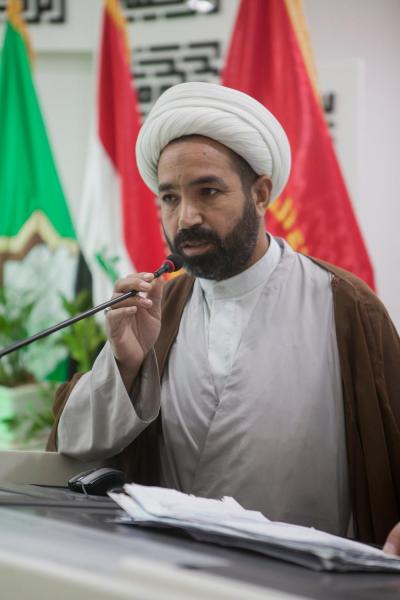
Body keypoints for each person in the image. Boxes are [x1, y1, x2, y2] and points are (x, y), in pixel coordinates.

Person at [47, 82, 400, 550]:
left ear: (261, 194)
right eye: (170, 198)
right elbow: (74, 446)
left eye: (208, 192)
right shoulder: (159, 309)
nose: (186, 218)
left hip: (307, 576)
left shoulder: (344, 306)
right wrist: (126, 366)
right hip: (169, 571)